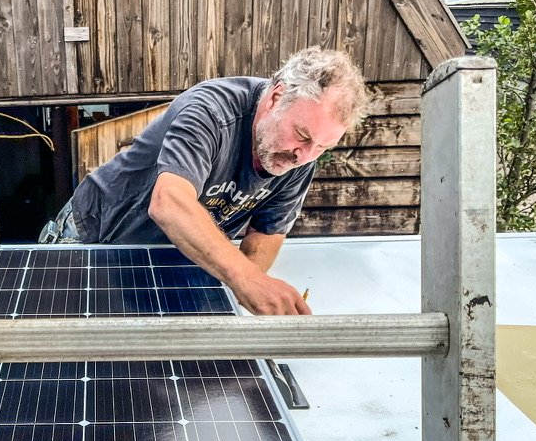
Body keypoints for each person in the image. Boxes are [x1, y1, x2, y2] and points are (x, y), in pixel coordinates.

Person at [39, 46, 369, 315]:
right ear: (275, 98)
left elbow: (266, 237)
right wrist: (245, 278)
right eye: (302, 135)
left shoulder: (300, 158)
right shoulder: (210, 112)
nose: (304, 156)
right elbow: (169, 203)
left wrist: (244, 295)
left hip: (170, 258)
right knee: (72, 342)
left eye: (322, 148)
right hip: (98, 234)